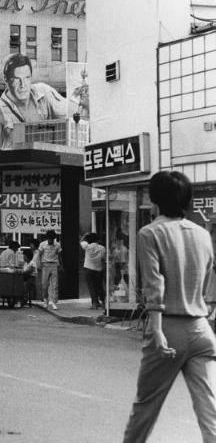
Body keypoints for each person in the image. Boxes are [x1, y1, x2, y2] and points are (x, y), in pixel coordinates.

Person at [123, 171, 216, 442]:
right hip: (202, 331)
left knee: (146, 407)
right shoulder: (202, 234)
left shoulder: (149, 232)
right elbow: (209, 278)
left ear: (155, 199)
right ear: (187, 200)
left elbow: (155, 283)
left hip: (167, 328)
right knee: (210, 410)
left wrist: (156, 330)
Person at [0, 53, 69, 149]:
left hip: (48, 161)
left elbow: (71, 113)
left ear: (31, 77)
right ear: (6, 80)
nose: (23, 85)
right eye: (16, 79)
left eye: (27, 78)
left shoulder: (44, 92)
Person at [36, 230, 62, 311]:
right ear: (47, 238)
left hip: (54, 265)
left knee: (55, 285)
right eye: (49, 239)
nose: (51, 240)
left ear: (54, 238)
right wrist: (39, 265)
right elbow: (39, 255)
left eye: (52, 239)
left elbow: (59, 256)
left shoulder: (57, 245)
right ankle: (45, 300)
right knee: (44, 284)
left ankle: (54, 302)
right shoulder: (42, 244)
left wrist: (61, 265)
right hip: (45, 265)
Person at [80, 233, 106, 309]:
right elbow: (104, 258)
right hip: (99, 269)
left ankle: (94, 304)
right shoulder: (102, 248)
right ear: (97, 239)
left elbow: (81, 241)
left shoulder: (87, 246)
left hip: (88, 269)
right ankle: (103, 302)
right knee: (99, 286)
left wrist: (85, 236)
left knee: (91, 287)